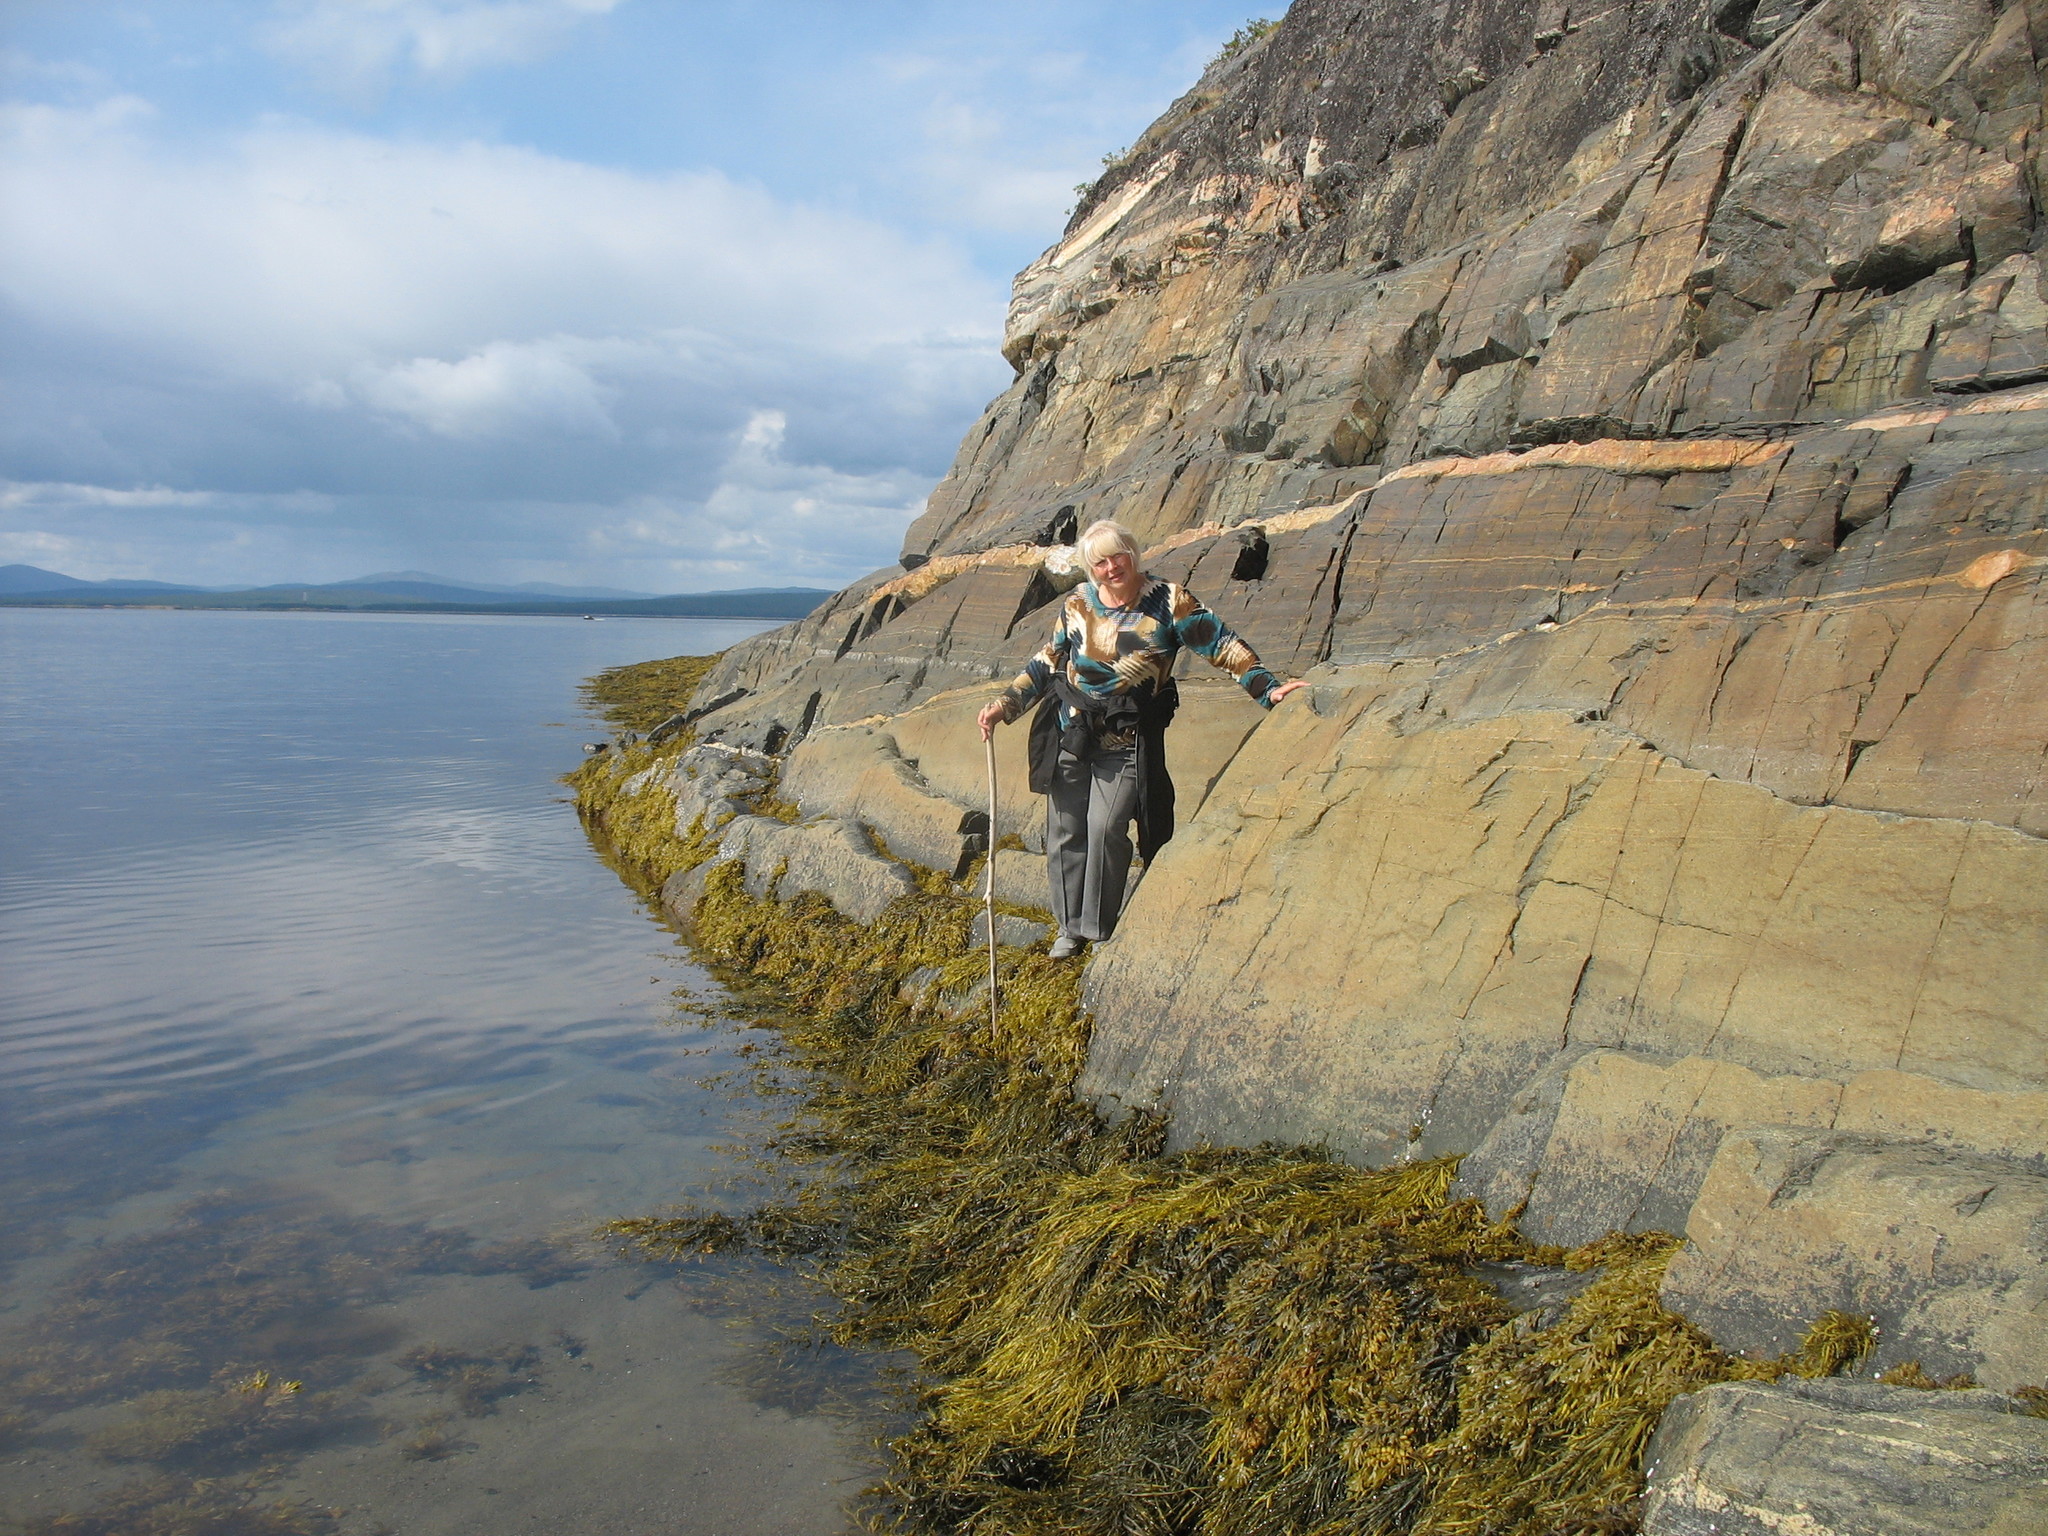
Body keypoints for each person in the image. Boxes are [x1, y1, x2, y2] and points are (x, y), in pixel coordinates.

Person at [977, 518, 1306, 958]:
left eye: (1118, 556)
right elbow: (1047, 659)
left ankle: (1096, 929)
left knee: (1107, 827)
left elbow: (1220, 643)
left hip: (1127, 738)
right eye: (1099, 562)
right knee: (1066, 831)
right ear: (1089, 569)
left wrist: (1267, 687)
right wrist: (1005, 705)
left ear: (1132, 554)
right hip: (1071, 731)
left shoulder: (1168, 602)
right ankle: (1067, 928)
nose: (1111, 567)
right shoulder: (1077, 604)